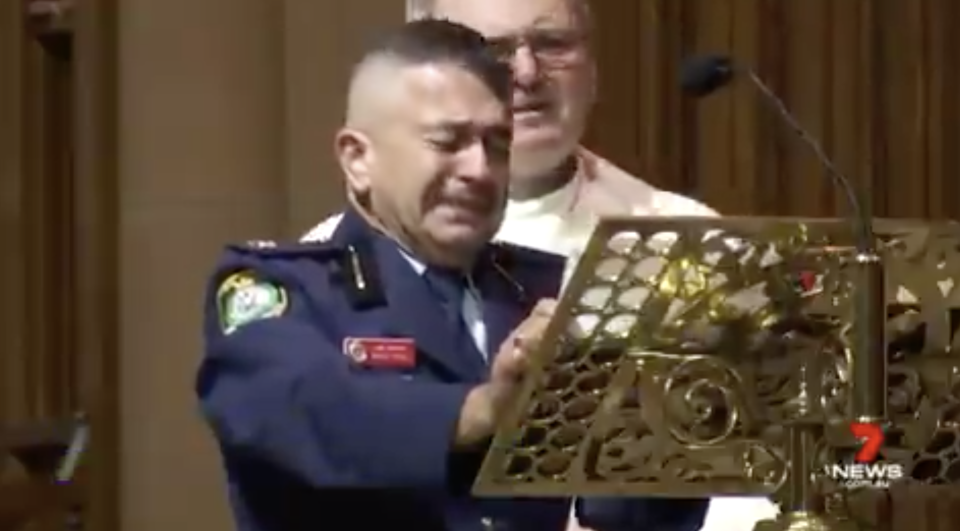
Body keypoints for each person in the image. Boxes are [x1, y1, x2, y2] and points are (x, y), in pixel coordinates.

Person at [197, 19, 708, 531]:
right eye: (448, 142)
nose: (479, 170)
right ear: (357, 159)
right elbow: (300, 414)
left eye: (497, 144)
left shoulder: (533, 296)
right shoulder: (284, 291)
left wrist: (674, 415)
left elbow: (620, 516)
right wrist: (481, 409)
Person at [301, 1, 781, 530]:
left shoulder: (691, 240)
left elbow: (746, 470)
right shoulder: (335, 264)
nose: (526, 74)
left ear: (593, 70)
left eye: (552, 44)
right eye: (495, 51)